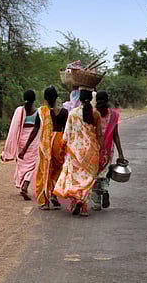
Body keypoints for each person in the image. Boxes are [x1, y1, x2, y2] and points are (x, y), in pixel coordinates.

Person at [53, 89, 105, 217]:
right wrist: (103, 150)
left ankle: (77, 199)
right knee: (88, 178)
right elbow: (99, 134)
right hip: (91, 152)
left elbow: (66, 134)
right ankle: (83, 207)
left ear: (79, 99)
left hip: (75, 152)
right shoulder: (96, 114)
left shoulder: (72, 113)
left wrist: (61, 148)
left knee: (75, 178)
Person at [19, 86, 68, 210]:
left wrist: (24, 149)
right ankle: (54, 195)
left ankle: (44, 200)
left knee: (44, 171)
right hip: (59, 143)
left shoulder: (41, 112)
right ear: (57, 97)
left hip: (45, 144)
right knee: (57, 170)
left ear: (45, 99)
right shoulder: (64, 112)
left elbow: (35, 131)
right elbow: (67, 131)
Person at [1, 89, 38, 200]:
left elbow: (14, 128)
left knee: (21, 164)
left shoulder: (19, 110)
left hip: (21, 139)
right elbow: (36, 129)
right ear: (34, 99)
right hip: (32, 141)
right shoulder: (38, 112)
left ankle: (22, 185)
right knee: (32, 166)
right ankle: (25, 186)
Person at [91, 91, 125, 211]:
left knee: (94, 175)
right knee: (104, 173)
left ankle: (96, 203)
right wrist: (120, 153)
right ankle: (104, 190)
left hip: (94, 150)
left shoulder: (92, 114)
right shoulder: (114, 115)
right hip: (108, 150)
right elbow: (116, 135)